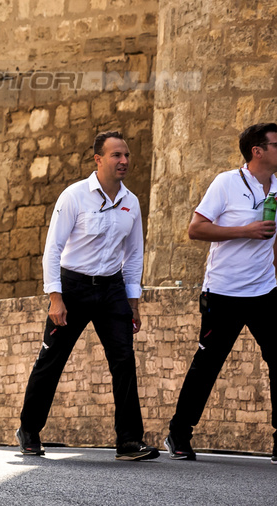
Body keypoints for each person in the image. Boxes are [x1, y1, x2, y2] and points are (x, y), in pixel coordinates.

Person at [16, 130, 158, 461]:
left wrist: (133, 302)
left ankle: (129, 441)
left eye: (126, 156)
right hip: (73, 286)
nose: (124, 161)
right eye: (116, 155)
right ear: (98, 159)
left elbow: (134, 254)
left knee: (124, 362)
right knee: (51, 360)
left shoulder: (131, 202)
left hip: (112, 289)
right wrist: (55, 297)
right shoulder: (74, 196)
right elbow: (53, 249)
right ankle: (29, 429)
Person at [164, 122, 277, 463]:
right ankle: (178, 433)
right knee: (207, 365)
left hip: (266, 292)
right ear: (257, 151)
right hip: (223, 293)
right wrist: (245, 230)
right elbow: (196, 229)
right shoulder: (227, 183)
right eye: (276, 144)